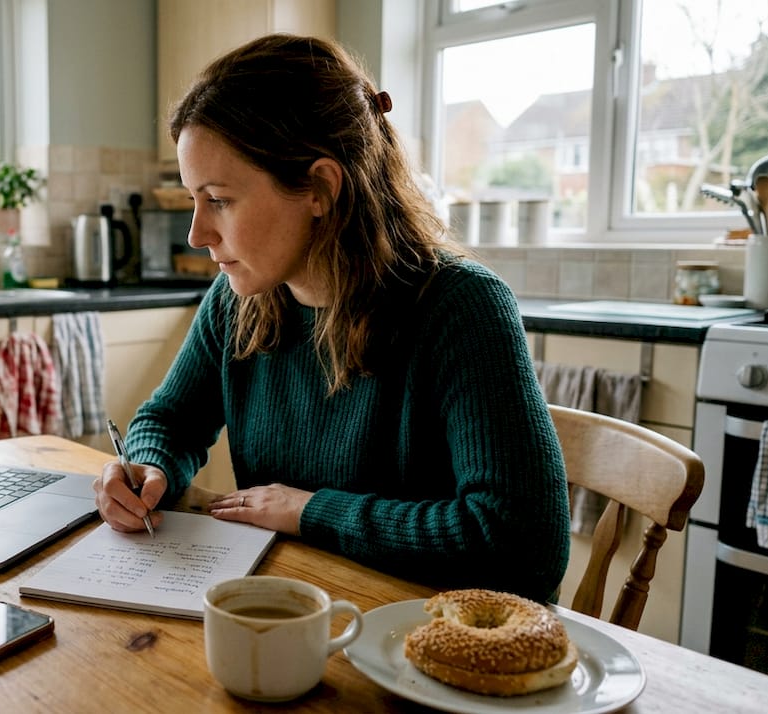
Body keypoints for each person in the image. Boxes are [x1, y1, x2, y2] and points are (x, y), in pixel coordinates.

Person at [92, 34, 570, 602]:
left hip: (422, 636)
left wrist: (311, 511)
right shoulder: (237, 299)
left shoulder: (460, 308)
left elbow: (521, 544)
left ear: (319, 187)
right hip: (295, 610)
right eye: (194, 199)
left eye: (219, 199)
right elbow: (171, 419)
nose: (198, 234)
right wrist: (149, 467)